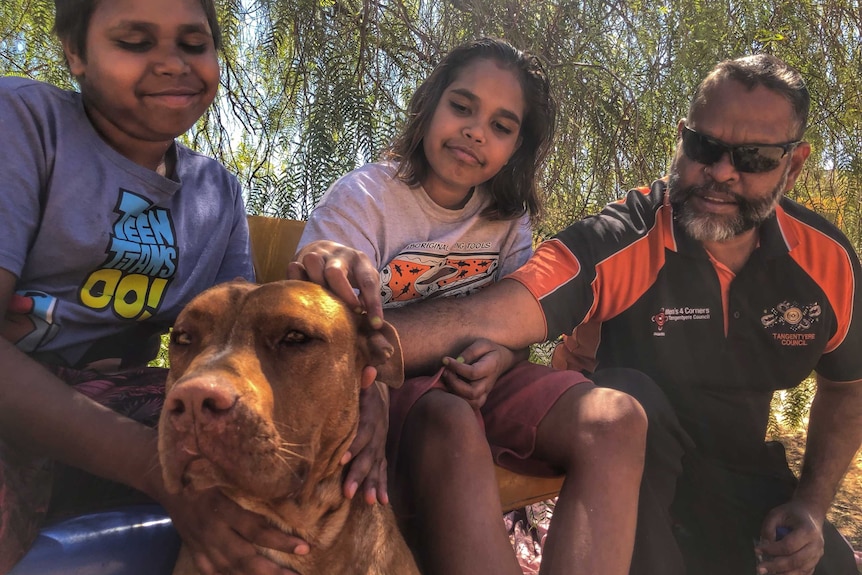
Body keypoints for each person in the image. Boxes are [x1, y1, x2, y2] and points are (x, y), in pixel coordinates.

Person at [292, 53, 862, 575]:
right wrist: (359, 362)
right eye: (705, 148)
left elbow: (848, 387)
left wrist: (811, 506)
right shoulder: (623, 236)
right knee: (624, 394)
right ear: (683, 139)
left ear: (791, 167)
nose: (722, 172)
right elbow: (508, 307)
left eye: (755, 158)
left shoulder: (828, 261)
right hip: (647, 488)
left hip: (748, 483)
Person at [294, 38, 648, 575]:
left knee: (616, 418)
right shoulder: (364, 199)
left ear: (517, 148)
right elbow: (323, 330)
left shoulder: (507, 221)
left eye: (502, 126)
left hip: (481, 386)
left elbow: (519, 332)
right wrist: (376, 380)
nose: (476, 131)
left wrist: (500, 361)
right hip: (386, 391)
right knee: (451, 419)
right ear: (430, 105)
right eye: (462, 107)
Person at [0, 1, 309, 573]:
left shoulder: (216, 192)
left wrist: (320, 282)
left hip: (122, 396)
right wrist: (159, 472)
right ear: (76, 53)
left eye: (193, 45)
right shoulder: (23, 122)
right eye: (135, 41)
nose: (172, 64)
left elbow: (233, 357)